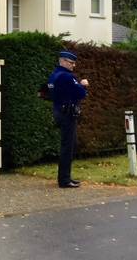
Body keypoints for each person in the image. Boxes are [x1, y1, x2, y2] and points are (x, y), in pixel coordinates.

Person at [47, 50, 89, 189]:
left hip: (59, 111)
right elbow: (81, 93)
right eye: (71, 63)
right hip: (67, 114)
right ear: (63, 61)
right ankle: (64, 180)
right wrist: (83, 84)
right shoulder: (66, 76)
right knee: (68, 147)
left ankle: (65, 177)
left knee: (67, 145)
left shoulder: (54, 75)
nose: (73, 65)